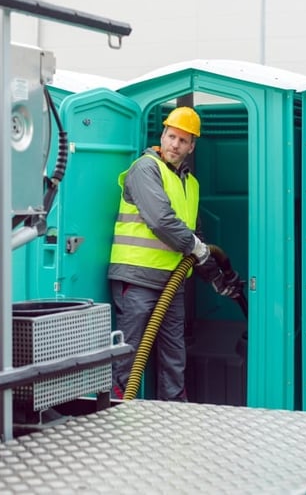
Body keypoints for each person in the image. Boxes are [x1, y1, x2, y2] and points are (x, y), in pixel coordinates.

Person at [107, 106, 242, 401]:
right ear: (162, 135)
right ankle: (118, 413)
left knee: (173, 355)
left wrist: (214, 276)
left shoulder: (190, 183)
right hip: (137, 277)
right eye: (171, 136)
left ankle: (174, 415)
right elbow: (160, 220)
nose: (174, 144)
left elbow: (198, 238)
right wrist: (197, 248)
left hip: (172, 282)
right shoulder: (145, 168)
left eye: (183, 140)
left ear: (192, 146)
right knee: (130, 352)